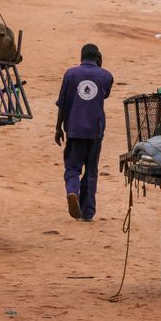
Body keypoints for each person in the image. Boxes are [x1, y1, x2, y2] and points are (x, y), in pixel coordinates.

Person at [55, 44, 113, 221]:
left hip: (74, 129)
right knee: (91, 171)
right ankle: (88, 212)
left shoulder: (70, 74)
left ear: (81, 57)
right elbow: (104, 95)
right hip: (95, 130)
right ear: (98, 57)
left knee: (72, 167)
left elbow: (62, 104)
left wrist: (58, 128)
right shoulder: (106, 76)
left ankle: (72, 191)